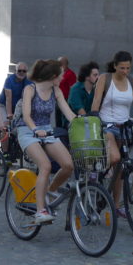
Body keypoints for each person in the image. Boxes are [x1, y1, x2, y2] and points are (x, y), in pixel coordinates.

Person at [16, 59, 76, 223]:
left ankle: (49, 190)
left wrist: (83, 123)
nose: (63, 78)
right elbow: (26, 116)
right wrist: (35, 129)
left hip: (47, 131)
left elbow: (69, 113)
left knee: (68, 165)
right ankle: (40, 211)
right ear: (53, 76)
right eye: (61, 75)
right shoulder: (30, 89)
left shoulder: (56, 91)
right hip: (27, 131)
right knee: (45, 166)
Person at [92, 50, 133, 217]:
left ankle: (116, 205)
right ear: (115, 66)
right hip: (107, 126)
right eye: (122, 68)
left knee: (120, 168)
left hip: (124, 127)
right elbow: (96, 102)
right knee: (116, 158)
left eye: (128, 68)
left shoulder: (131, 81)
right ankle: (97, 170)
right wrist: (96, 118)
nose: (125, 71)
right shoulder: (105, 79)